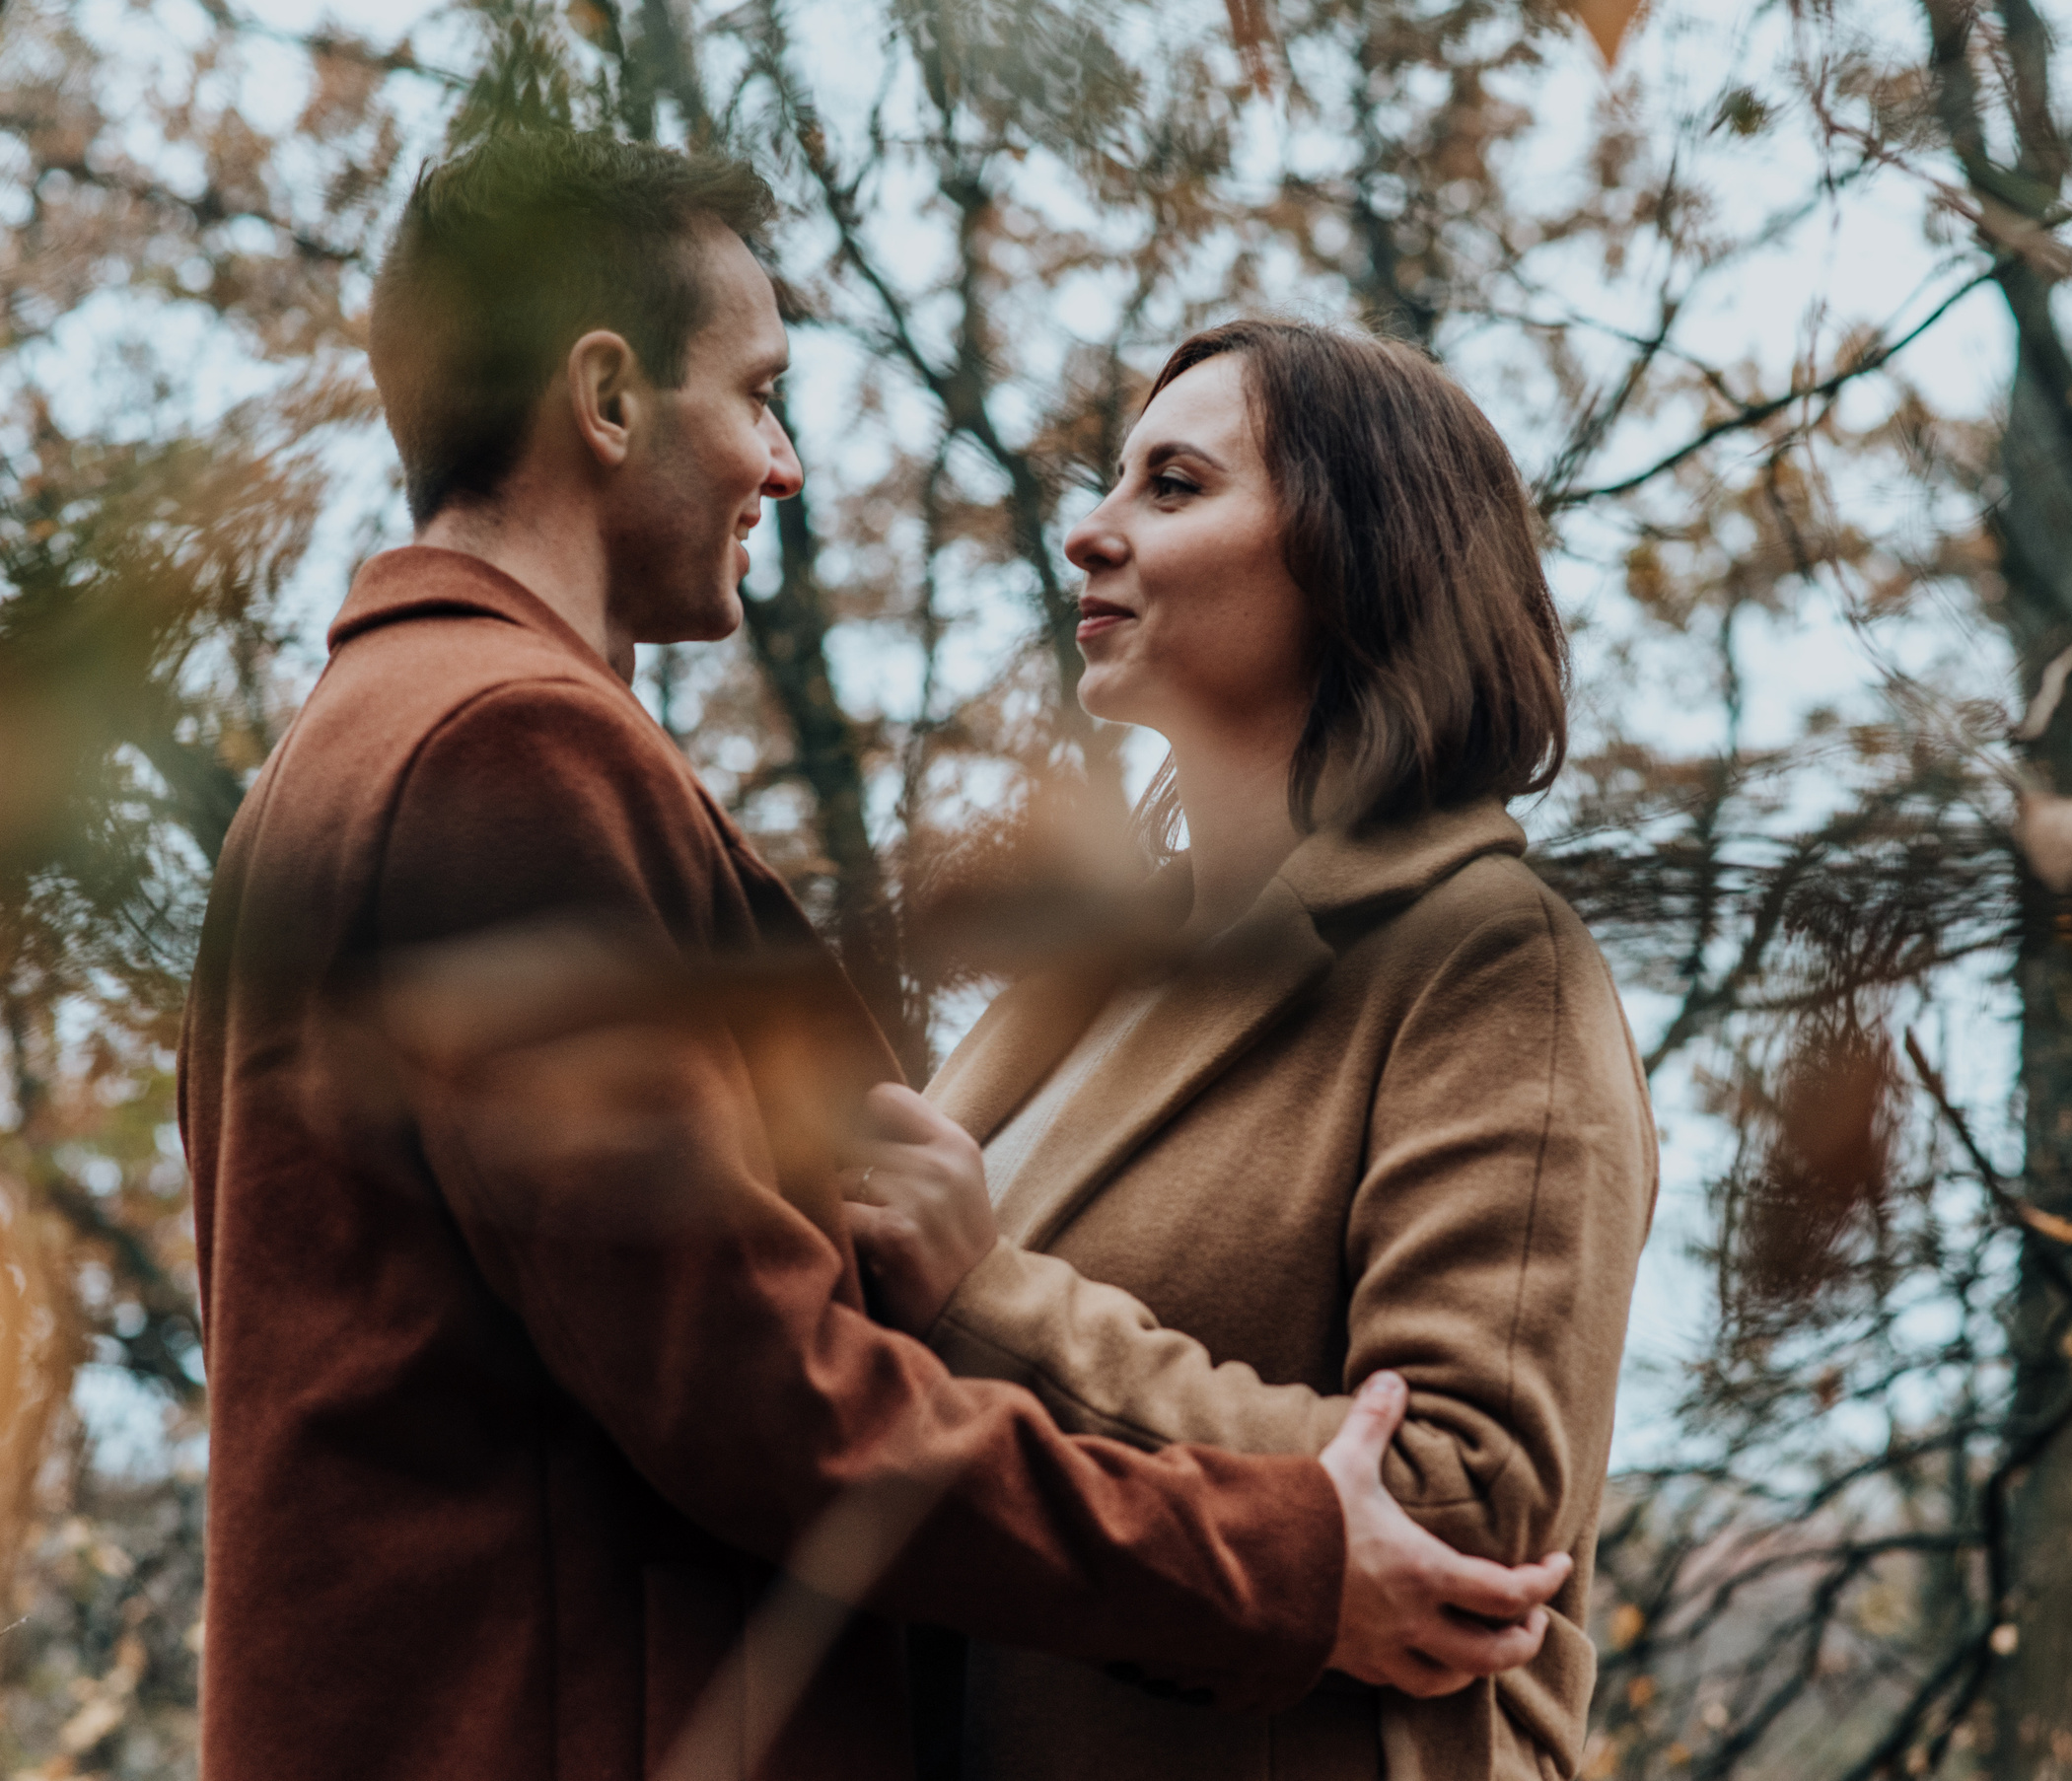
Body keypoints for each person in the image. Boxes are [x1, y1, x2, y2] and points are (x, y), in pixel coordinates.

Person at [176, 134, 1571, 1781]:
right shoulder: (505, 752)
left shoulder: (354, 756)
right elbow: (764, 1394)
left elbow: (1475, 1498)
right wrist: (1277, 1559)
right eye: (758, 395)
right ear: (607, 398)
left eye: (1174, 485)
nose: (781, 464)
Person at [847, 320, 1660, 1780]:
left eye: (1173, 485)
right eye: (1111, 482)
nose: (1090, 531)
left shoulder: (1488, 960)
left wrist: (991, 1299)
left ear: (1360, 557)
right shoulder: (1083, 982)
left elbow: (1466, 1511)